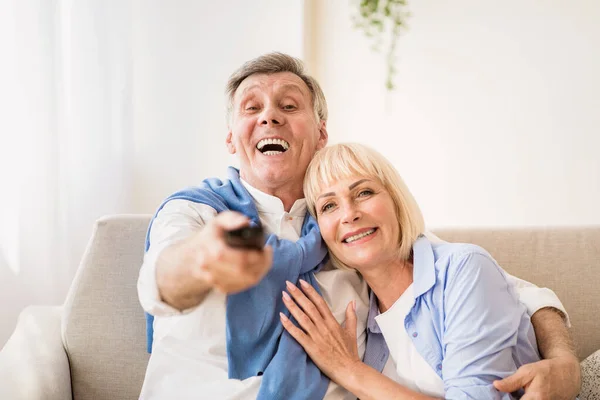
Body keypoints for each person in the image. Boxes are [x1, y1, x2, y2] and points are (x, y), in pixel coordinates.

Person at [137, 52, 580, 399]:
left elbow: (509, 288)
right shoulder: (195, 215)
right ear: (232, 138)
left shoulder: (348, 230)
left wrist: (564, 362)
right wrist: (202, 260)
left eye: (289, 105)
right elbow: (162, 280)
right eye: (252, 108)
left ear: (321, 133)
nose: (269, 116)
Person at [280, 142, 579, 398]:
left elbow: (524, 292)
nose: (349, 214)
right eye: (329, 206)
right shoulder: (360, 315)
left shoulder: (462, 268)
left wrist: (350, 371)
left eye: (364, 193)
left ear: (396, 201)